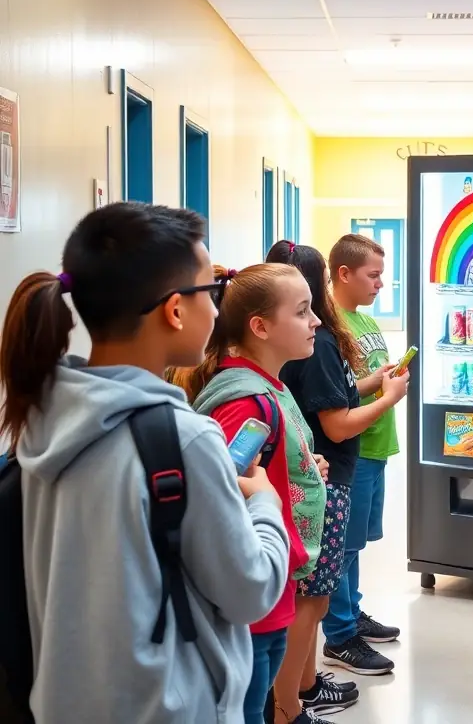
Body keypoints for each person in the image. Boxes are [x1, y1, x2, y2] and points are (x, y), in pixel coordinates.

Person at [1, 203, 289, 722]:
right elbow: (249, 592)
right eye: (212, 293)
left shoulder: (41, 419)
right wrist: (265, 507)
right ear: (175, 310)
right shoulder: (185, 440)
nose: (219, 310)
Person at [172, 261, 357, 724]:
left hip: (273, 590)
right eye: (302, 312)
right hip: (250, 599)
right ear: (260, 327)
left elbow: (262, 462)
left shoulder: (269, 389)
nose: (316, 321)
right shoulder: (244, 402)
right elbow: (218, 490)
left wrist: (300, 470)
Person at [267, 242, 409, 704]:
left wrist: (371, 385)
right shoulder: (321, 343)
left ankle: (303, 687)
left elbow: (334, 394)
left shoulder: (321, 341)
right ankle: (296, 695)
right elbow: (334, 422)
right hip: (326, 477)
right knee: (313, 596)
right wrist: (386, 400)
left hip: (330, 470)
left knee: (322, 588)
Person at [321, 234, 403, 675]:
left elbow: (357, 386)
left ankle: (351, 611)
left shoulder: (365, 324)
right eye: (373, 276)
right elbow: (339, 401)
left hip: (376, 447)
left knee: (355, 544)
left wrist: (382, 380)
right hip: (355, 447)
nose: (379, 285)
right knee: (341, 546)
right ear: (344, 274)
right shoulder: (333, 329)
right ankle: (339, 634)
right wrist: (384, 394)